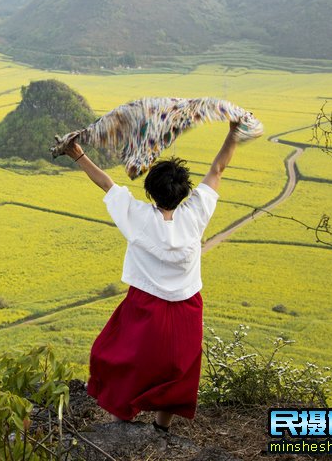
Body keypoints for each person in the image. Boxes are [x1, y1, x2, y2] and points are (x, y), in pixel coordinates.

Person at [62, 120, 240, 433]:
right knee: (176, 370)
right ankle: (161, 430)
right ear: (185, 193)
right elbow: (218, 168)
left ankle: (122, 421)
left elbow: (106, 184)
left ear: (150, 191)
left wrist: (77, 154)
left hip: (145, 305)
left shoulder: (139, 218)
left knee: (123, 359)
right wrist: (234, 133)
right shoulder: (195, 215)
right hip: (187, 307)